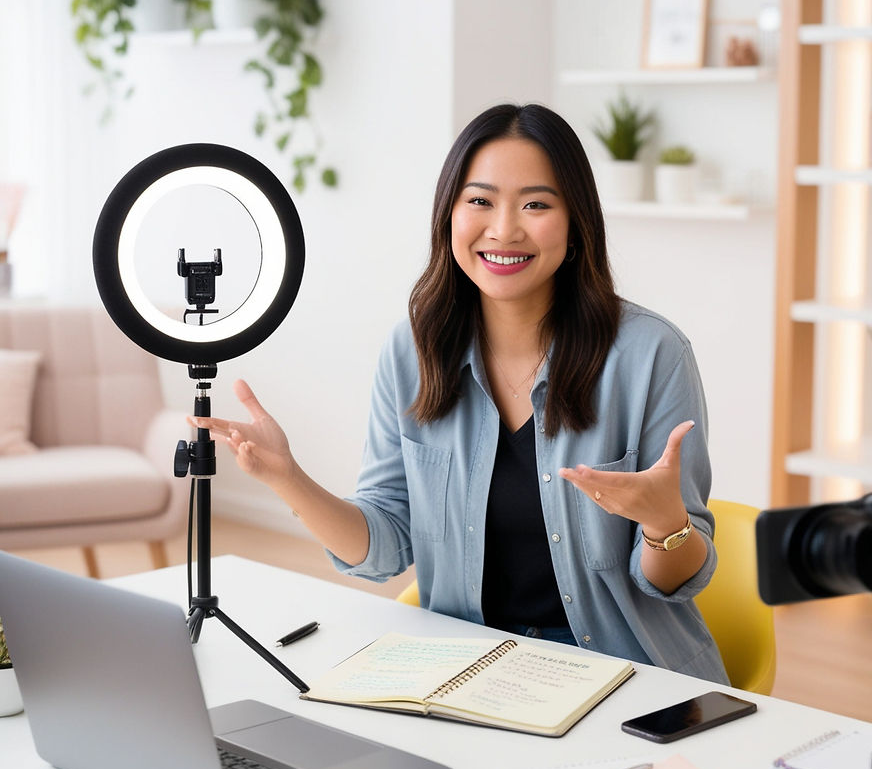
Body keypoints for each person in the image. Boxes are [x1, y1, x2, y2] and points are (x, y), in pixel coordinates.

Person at [193, 103, 728, 683]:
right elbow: (383, 549)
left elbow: (676, 582)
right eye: (480, 201)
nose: (504, 229)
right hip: (468, 670)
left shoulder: (651, 355)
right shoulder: (412, 351)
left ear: (576, 225)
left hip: (624, 673)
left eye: (536, 204)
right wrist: (287, 478)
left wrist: (664, 523)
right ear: (448, 214)